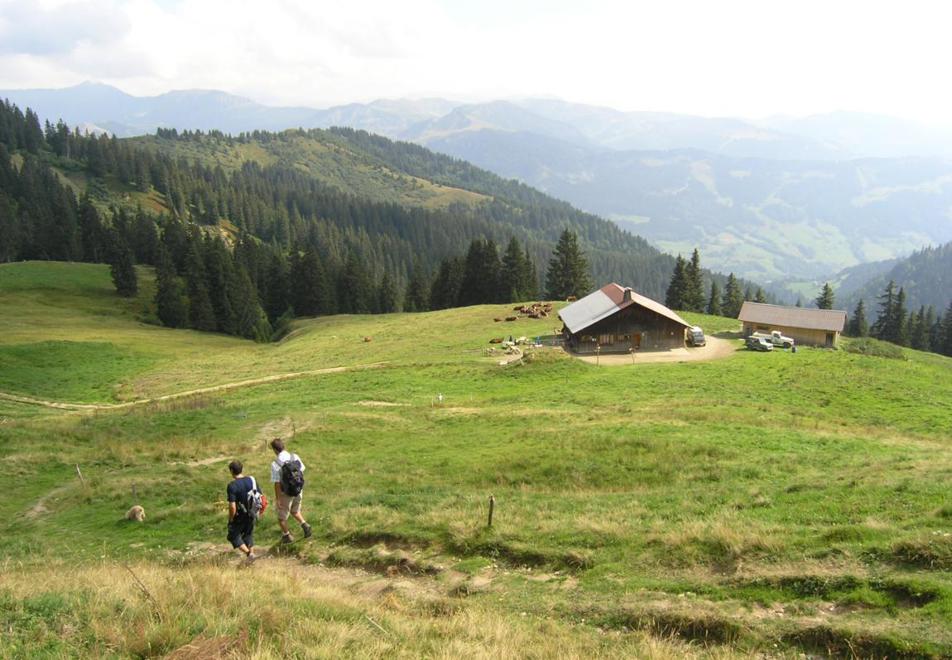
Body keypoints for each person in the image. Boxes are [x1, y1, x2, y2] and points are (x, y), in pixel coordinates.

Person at [270, 438, 312, 543]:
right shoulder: (294, 456)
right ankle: (305, 526)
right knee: (295, 511)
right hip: (298, 489)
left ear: (275, 450)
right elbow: (302, 470)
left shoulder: (275, 463)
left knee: (281, 517)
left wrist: (278, 499)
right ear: (283, 446)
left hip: (286, 493)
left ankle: (287, 536)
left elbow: (277, 483)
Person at [226, 459, 259, 563]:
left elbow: (232, 506)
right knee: (248, 534)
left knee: (233, 535)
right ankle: (251, 558)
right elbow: (259, 495)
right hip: (252, 512)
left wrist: (231, 519)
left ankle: (250, 554)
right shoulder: (252, 479)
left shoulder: (232, 486)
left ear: (231, 470)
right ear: (241, 469)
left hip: (240, 515)